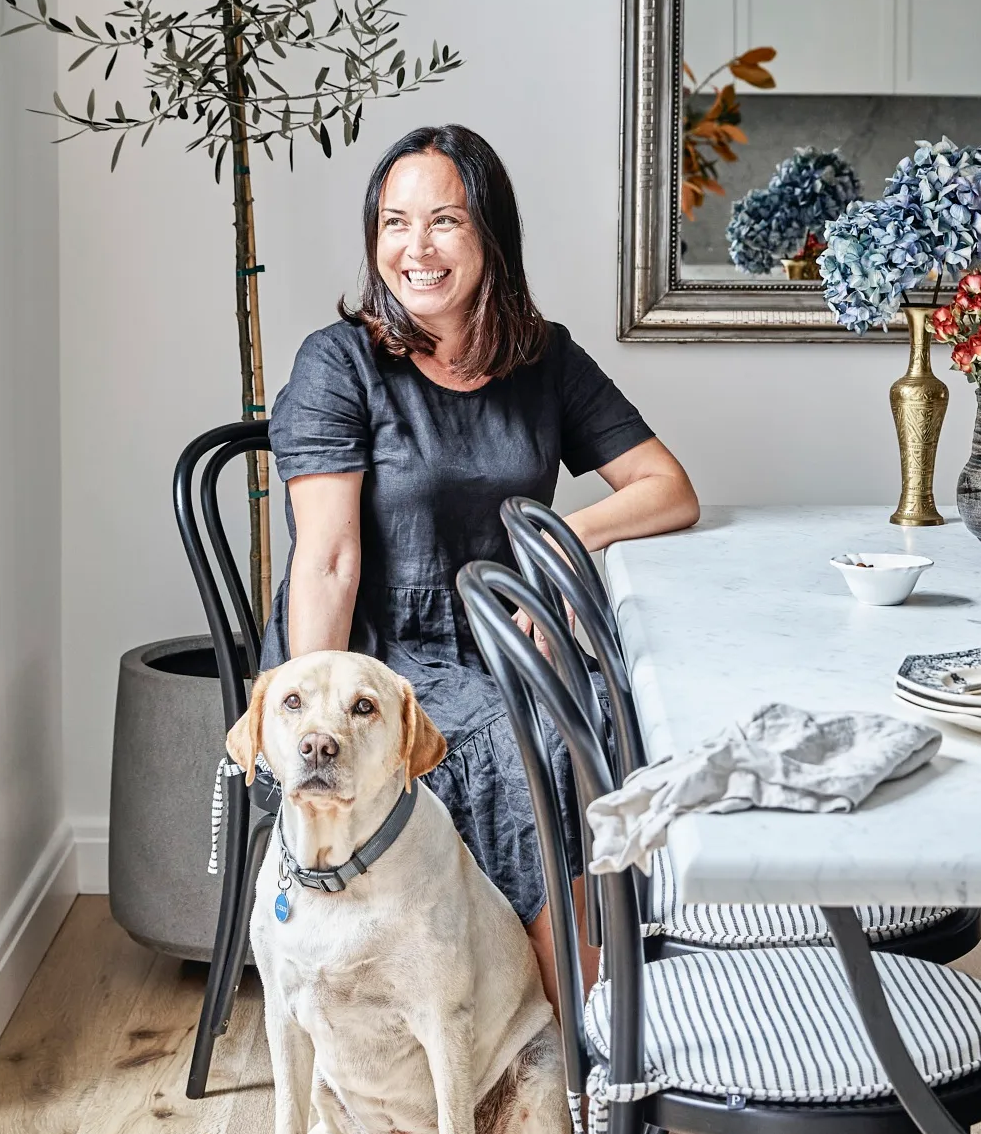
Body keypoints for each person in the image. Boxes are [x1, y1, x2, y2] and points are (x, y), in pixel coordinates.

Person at [262, 122, 699, 1004]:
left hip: (503, 633)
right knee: (529, 744)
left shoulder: (544, 359)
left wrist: (557, 544)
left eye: (444, 223)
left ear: (490, 235)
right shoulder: (339, 364)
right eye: (394, 223)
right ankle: (579, 1049)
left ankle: (601, 1021)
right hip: (377, 649)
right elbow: (331, 560)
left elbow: (666, 487)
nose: (414, 250)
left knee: (616, 719)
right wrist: (318, 717)